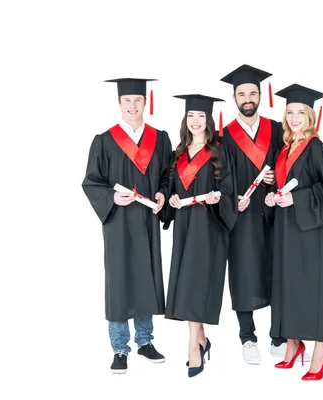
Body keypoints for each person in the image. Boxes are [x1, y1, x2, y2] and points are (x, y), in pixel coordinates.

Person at [81, 77, 172, 374]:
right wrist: (111, 197)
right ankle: (120, 348)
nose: (133, 106)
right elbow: (92, 181)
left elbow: (167, 177)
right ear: (119, 103)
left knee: (145, 277)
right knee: (120, 281)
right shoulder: (105, 140)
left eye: (138, 100)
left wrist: (162, 193)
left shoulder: (160, 138)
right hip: (118, 222)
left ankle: (145, 342)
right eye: (127, 101)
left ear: (146, 102)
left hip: (146, 220)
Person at [265, 83, 323, 381]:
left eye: (300, 112)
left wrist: (295, 198)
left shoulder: (316, 147)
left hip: (313, 232)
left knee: (315, 288)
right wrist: (272, 196)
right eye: (290, 112)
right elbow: (282, 185)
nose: (294, 117)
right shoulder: (285, 148)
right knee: (289, 286)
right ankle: (294, 345)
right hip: (288, 230)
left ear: (311, 116)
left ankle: (320, 355)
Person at [219, 64, 292, 364]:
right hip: (243, 217)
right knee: (243, 272)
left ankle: (280, 335)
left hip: (274, 215)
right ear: (234, 97)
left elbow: (289, 164)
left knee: (278, 272)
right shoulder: (224, 136)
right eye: (241, 94)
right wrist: (231, 199)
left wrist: (279, 179)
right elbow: (219, 178)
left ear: (261, 95)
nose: (247, 98)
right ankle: (247, 337)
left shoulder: (277, 129)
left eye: (252, 93)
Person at [163, 94, 238, 378]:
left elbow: (228, 189)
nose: (196, 122)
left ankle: (193, 347)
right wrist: (170, 200)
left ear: (209, 120)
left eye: (201, 117)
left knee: (195, 283)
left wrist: (217, 196)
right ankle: (202, 340)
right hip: (184, 224)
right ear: (185, 120)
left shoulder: (219, 151)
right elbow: (173, 190)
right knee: (185, 283)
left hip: (208, 226)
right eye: (191, 116)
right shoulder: (178, 153)